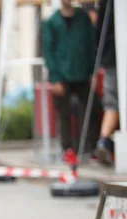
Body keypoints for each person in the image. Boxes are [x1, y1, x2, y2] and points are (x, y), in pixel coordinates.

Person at [42, 0, 100, 161]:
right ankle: (68, 149)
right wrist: (55, 78)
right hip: (61, 74)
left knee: (90, 109)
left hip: (81, 71)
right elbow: (48, 51)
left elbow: (91, 45)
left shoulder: (83, 18)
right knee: (64, 113)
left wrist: (91, 71)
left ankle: (90, 147)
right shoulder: (51, 21)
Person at [94, 0, 118, 166]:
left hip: (109, 59)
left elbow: (97, 35)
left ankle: (103, 140)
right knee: (113, 102)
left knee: (112, 102)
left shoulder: (103, 5)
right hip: (115, 58)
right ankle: (104, 143)